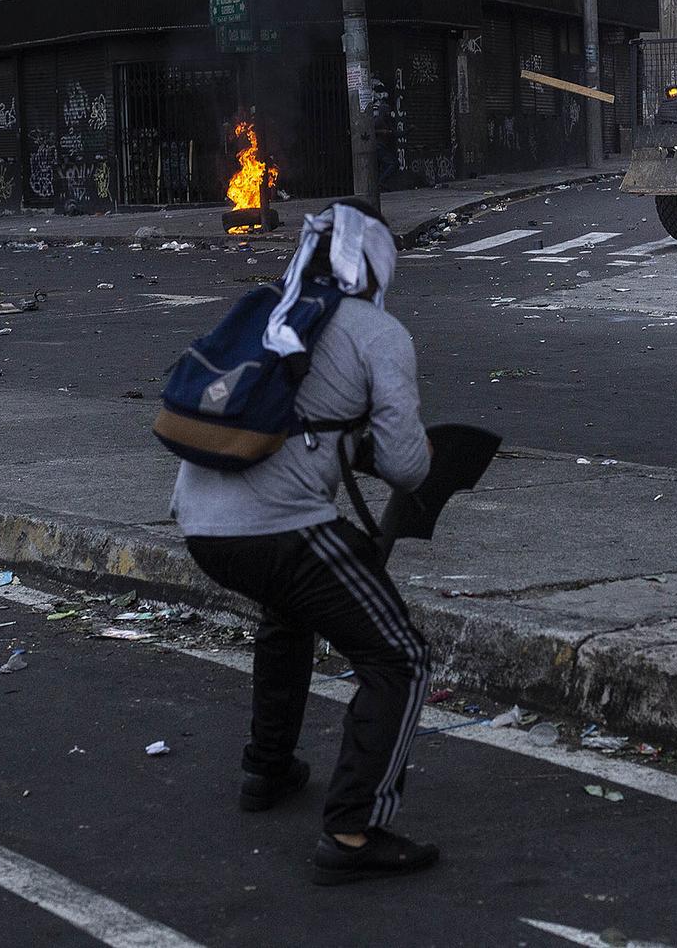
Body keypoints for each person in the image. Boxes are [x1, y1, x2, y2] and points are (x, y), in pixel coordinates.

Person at [173, 200, 439, 887]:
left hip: (200, 520)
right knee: (400, 656)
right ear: (377, 262)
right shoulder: (380, 333)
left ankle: (268, 770)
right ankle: (353, 831)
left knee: (289, 612)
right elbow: (409, 468)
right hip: (275, 529)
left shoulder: (270, 307)